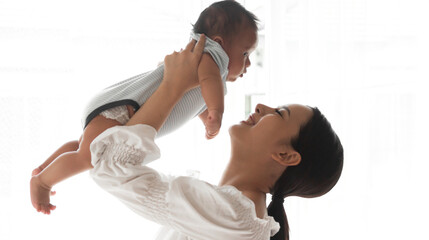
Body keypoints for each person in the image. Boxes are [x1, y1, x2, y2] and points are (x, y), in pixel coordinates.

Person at [88, 34, 344, 239]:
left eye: (279, 113)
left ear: (286, 155)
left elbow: (112, 169)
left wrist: (172, 87)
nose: (260, 108)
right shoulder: (234, 216)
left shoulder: (233, 218)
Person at [30, 0, 258, 214]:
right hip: (121, 111)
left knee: (81, 147)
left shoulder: (199, 64)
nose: (248, 64)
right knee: (87, 157)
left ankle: (42, 169)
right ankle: (42, 181)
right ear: (219, 43)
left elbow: (193, 99)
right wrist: (216, 112)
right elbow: (208, 82)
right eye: (245, 53)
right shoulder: (210, 59)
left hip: (115, 106)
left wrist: (204, 115)